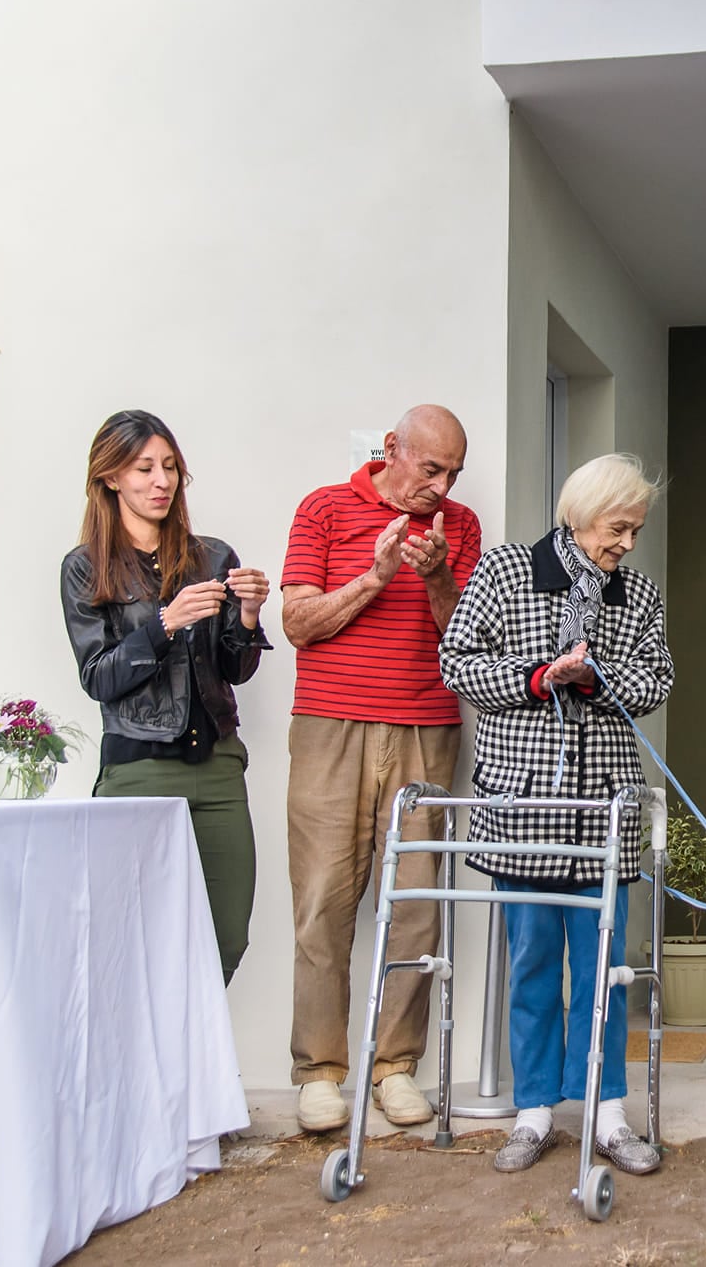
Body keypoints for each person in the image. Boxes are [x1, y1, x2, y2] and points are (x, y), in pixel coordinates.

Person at [440, 452, 675, 1178]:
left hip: (603, 810)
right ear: (580, 513)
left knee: (606, 969)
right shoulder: (507, 570)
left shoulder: (636, 592)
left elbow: (657, 673)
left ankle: (606, 1115)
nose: (627, 544)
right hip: (525, 807)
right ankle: (534, 1111)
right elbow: (458, 660)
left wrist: (594, 676)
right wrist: (541, 677)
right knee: (533, 965)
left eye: (635, 530)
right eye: (618, 527)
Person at [279, 405, 481, 1133]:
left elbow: (464, 636)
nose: (443, 485)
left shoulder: (458, 527)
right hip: (331, 727)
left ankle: (396, 1067)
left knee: (417, 904)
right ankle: (321, 1072)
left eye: (454, 472)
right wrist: (376, 576)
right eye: (432, 469)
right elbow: (297, 622)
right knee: (324, 900)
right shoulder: (324, 508)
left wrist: (434, 579)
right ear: (392, 449)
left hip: (426, 730)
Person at [60, 409, 271, 985]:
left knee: (227, 936)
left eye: (170, 467)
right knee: (128, 939)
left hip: (220, 766)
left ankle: (181, 1063)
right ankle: (136, 1072)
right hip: (139, 771)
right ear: (110, 477)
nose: (161, 481)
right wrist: (163, 623)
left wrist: (248, 615)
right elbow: (99, 676)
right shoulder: (85, 568)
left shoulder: (213, 556)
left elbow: (236, 668)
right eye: (144, 468)